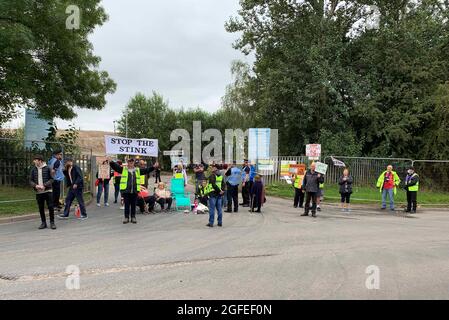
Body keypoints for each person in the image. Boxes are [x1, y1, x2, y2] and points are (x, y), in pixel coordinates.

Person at [109, 157, 158, 224]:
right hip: (126, 191)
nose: (131, 163)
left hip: (134, 191)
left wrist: (153, 167)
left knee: (133, 205)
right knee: (126, 205)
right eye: (129, 161)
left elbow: (146, 170)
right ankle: (126, 217)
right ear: (127, 163)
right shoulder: (123, 169)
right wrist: (111, 162)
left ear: (134, 163)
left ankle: (133, 217)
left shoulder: (137, 170)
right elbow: (116, 168)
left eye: (132, 161)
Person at [30, 155, 56, 230]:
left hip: (48, 191)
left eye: (35, 160)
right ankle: (43, 223)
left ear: (40, 161)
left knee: (50, 207)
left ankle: (52, 222)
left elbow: (52, 179)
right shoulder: (33, 169)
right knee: (41, 208)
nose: (34, 161)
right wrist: (35, 186)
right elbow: (30, 180)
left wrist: (44, 185)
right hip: (38, 192)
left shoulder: (48, 168)